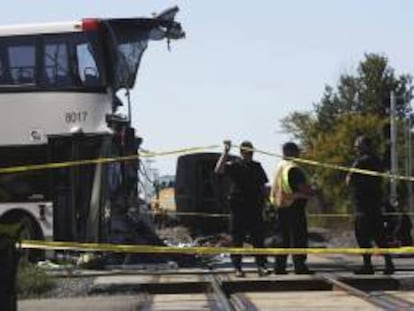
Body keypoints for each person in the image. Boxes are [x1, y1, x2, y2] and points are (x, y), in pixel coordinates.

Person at [215, 140, 269, 277]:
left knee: (258, 239)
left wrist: (268, 203)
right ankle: (237, 267)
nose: (249, 154)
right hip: (238, 207)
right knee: (237, 239)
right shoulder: (235, 165)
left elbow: (263, 186)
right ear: (241, 152)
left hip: (255, 206)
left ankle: (261, 266)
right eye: (246, 152)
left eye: (251, 152)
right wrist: (226, 152)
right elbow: (219, 170)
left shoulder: (257, 166)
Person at [346, 135, 394, 274]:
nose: (356, 148)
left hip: (363, 206)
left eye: (358, 146)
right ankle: (388, 263)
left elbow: (349, 179)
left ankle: (368, 265)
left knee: (362, 236)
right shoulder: (377, 160)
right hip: (375, 205)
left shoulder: (361, 161)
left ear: (365, 146)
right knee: (379, 236)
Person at [270, 142, 314, 274]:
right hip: (294, 207)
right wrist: (311, 191)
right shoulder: (292, 168)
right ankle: (300, 266)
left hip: (281, 206)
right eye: (297, 152)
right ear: (291, 152)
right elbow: (303, 188)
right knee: (298, 238)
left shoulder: (279, 167)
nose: (299, 154)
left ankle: (279, 266)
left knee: (282, 238)